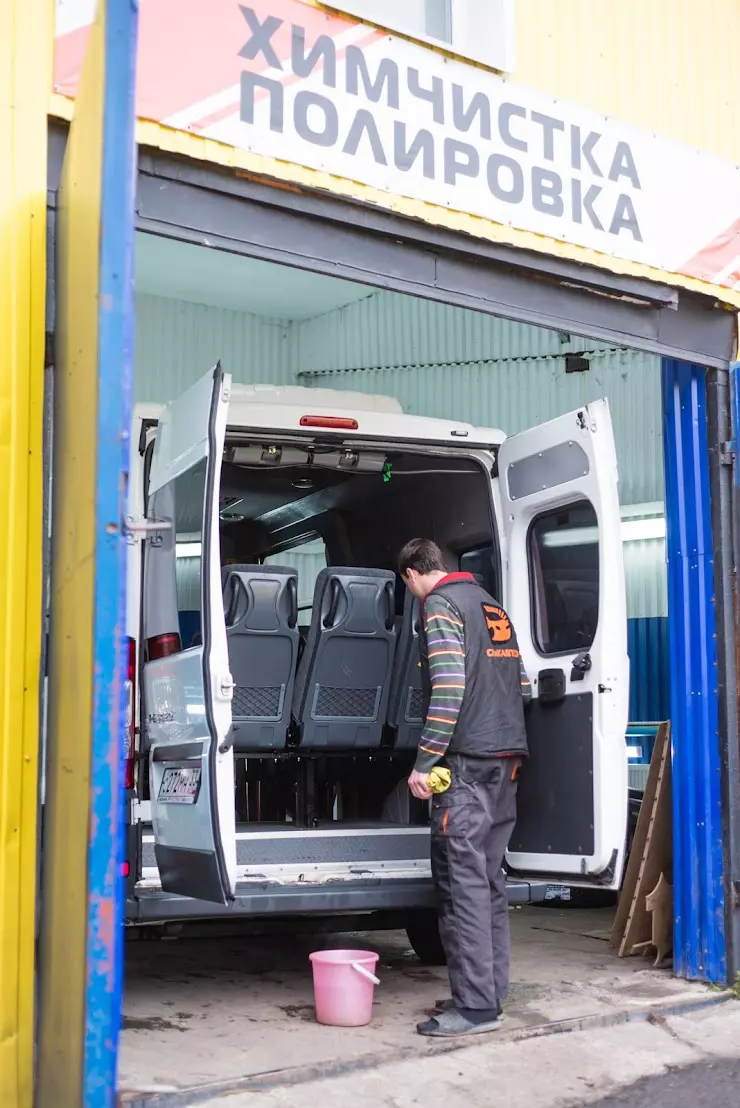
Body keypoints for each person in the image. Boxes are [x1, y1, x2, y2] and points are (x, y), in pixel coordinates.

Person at [398, 538, 529, 1038]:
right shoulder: (492, 606)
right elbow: (514, 682)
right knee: (489, 877)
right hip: (506, 759)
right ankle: (489, 991)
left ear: (413, 575)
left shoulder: (439, 604)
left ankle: (475, 1008)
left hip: (467, 766)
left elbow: (450, 687)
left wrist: (424, 761)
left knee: (462, 883)